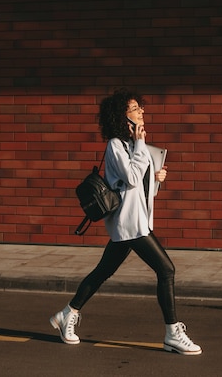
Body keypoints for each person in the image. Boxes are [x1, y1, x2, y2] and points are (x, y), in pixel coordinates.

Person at [50, 88, 202, 355]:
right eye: (135, 108)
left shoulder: (133, 146)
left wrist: (155, 178)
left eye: (140, 108)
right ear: (123, 117)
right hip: (130, 224)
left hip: (136, 221)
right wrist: (142, 149)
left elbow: (136, 186)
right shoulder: (115, 146)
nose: (142, 112)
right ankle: (172, 333)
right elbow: (130, 178)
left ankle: (67, 313)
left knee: (103, 271)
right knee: (166, 270)